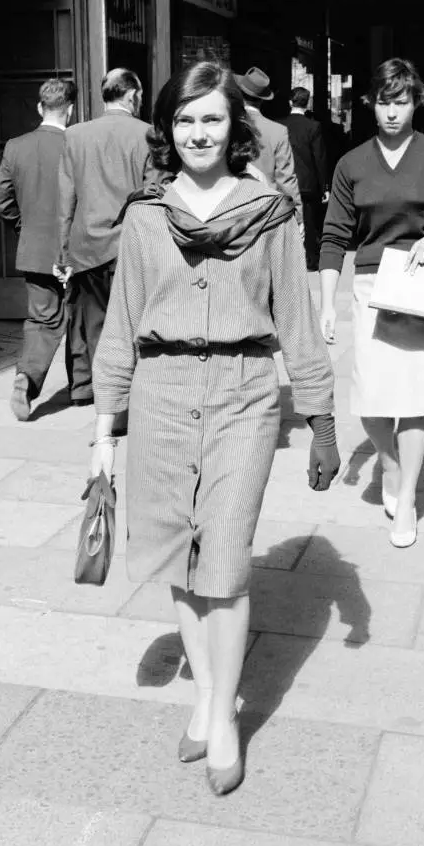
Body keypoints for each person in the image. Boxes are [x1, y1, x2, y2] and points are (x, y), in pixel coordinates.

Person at [89, 61, 339, 797]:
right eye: (186, 119)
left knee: (224, 562)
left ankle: (225, 719)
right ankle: (207, 695)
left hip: (244, 396)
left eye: (212, 118)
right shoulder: (142, 217)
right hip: (161, 395)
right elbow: (121, 329)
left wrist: (322, 418)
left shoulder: (271, 213)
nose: (199, 131)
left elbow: (296, 321)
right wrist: (104, 431)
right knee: (178, 559)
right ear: (168, 128)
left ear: (236, 128)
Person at [318, 58, 424, 549]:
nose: (391, 112)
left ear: (416, 102)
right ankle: (389, 465)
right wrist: (326, 304)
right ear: (372, 103)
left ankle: (406, 496)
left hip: (422, 286)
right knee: (368, 399)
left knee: (413, 400)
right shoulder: (352, 163)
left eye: (401, 101)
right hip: (369, 287)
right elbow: (333, 237)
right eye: (384, 102)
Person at [0, 78, 92, 420]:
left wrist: (25, 227)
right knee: (80, 316)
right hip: (78, 249)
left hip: (35, 249)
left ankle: (27, 378)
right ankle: (81, 389)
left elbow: (2, 197)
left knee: (42, 319)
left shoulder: (15, 146)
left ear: (40, 108)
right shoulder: (79, 144)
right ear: (71, 110)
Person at [57, 68, 154, 373]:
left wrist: (62, 252)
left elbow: (65, 199)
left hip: (87, 248)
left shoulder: (74, 135)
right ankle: (127, 397)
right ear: (132, 95)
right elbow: (155, 195)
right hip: (130, 244)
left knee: (97, 326)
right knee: (133, 325)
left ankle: (105, 393)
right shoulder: (148, 134)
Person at [233, 66, 303, 234]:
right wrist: (298, 216)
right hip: (266, 212)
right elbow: (286, 181)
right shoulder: (278, 131)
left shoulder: (228, 127)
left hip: (231, 210)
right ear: (262, 100)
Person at [281, 87, 328, 270]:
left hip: (284, 180)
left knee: (283, 221)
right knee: (309, 222)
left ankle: (285, 262)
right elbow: (320, 158)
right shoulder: (313, 126)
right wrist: (324, 186)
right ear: (307, 103)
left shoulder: (280, 125)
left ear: (290, 102)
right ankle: (310, 260)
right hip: (308, 183)